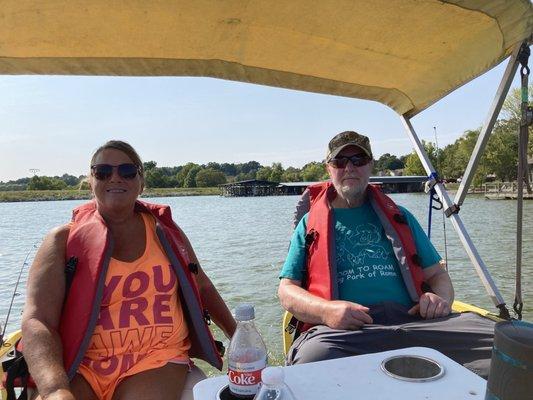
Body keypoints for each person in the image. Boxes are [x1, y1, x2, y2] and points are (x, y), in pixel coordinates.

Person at [21, 140, 236, 400]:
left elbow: (202, 285)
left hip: (157, 358)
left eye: (127, 171)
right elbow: (37, 320)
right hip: (81, 364)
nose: (115, 178)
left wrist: (238, 334)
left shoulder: (168, 234)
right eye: (102, 172)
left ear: (141, 182)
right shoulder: (61, 241)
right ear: (90, 181)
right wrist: (54, 388)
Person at [278, 131, 494, 377]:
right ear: (329, 169)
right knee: (312, 360)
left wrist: (439, 299)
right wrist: (326, 312)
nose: (349, 167)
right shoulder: (309, 224)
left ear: (371, 165)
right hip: (345, 334)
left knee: (504, 341)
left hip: (415, 321)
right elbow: (287, 291)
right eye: (340, 161)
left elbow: (436, 274)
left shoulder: (401, 216)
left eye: (358, 160)